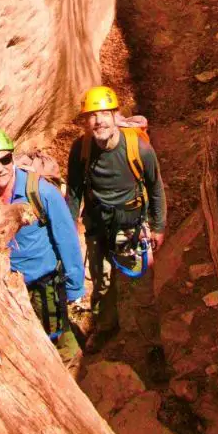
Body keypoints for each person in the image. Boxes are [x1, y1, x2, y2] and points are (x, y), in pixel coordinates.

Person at [0, 128, 84, 373]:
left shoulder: (41, 192)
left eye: (5, 159)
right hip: (8, 288)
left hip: (45, 284)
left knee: (60, 340)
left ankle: (74, 380)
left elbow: (67, 239)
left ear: (13, 157)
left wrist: (74, 286)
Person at [66, 86, 167, 355]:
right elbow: (74, 192)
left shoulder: (139, 149)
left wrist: (157, 227)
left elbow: (156, 188)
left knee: (142, 293)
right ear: (85, 122)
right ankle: (107, 327)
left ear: (115, 115)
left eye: (104, 113)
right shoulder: (80, 150)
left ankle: (152, 346)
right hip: (98, 229)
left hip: (132, 228)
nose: (98, 120)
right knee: (102, 284)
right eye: (92, 115)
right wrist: (68, 230)